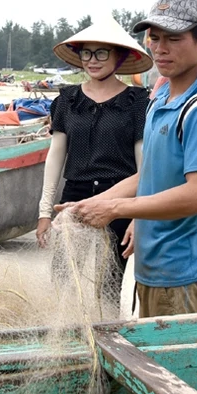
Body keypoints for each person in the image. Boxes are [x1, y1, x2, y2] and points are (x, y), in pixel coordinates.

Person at [55, 0, 197, 318]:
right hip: (151, 267)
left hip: (182, 272)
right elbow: (148, 174)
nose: (160, 48)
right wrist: (93, 203)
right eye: (154, 37)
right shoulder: (161, 98)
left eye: (174, 39)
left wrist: (116, 208)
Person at [36, 16, 153, 309]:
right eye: (86, 53)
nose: (92, 60)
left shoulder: (137, 101)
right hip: (74, 196)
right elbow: (55, 157)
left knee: (109, 285)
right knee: (62, 281)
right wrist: (44, 212)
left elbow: (144, 166)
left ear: (120, 57)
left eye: (101, 53)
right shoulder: (67, 100)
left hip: (119, 199)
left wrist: (138, 216)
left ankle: (108, 335)